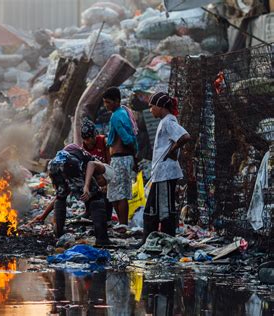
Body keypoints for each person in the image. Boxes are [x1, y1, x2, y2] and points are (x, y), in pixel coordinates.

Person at [33, 144, 110, 246]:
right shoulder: (100, 167)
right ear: (102, 177)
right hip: (70, 164)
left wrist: (43, 215)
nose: (101, 185)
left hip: (53, 165)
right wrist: (87, 187)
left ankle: (58, 233)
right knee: (97, 197)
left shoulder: (79, 160)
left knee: (61, 196)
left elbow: (60, 196)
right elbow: (91, 164)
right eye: (103, 183)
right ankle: (102, 239)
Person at [143, 92, 191, 240]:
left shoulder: (168, 122)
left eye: (152, 107)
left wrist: (171, 150)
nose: (150, 110)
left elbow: (185, 136)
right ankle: (151, 239)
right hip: (161, 173)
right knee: (154, 207)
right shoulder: (165, 121)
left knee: (163, 209)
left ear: (161, 106)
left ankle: (165, 239)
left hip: (165, 173)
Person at [102, 87, 138, 226]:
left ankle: (123, 225)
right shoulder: (122, 113)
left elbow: (127, 138)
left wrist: (132, 151)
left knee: (120, 194)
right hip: (122, 159)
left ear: (117, 101)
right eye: (105, 102)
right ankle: (122, 224)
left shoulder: (117, 116)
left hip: (121, 158)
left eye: (108, 102)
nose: (106, 105)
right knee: (115, 194)